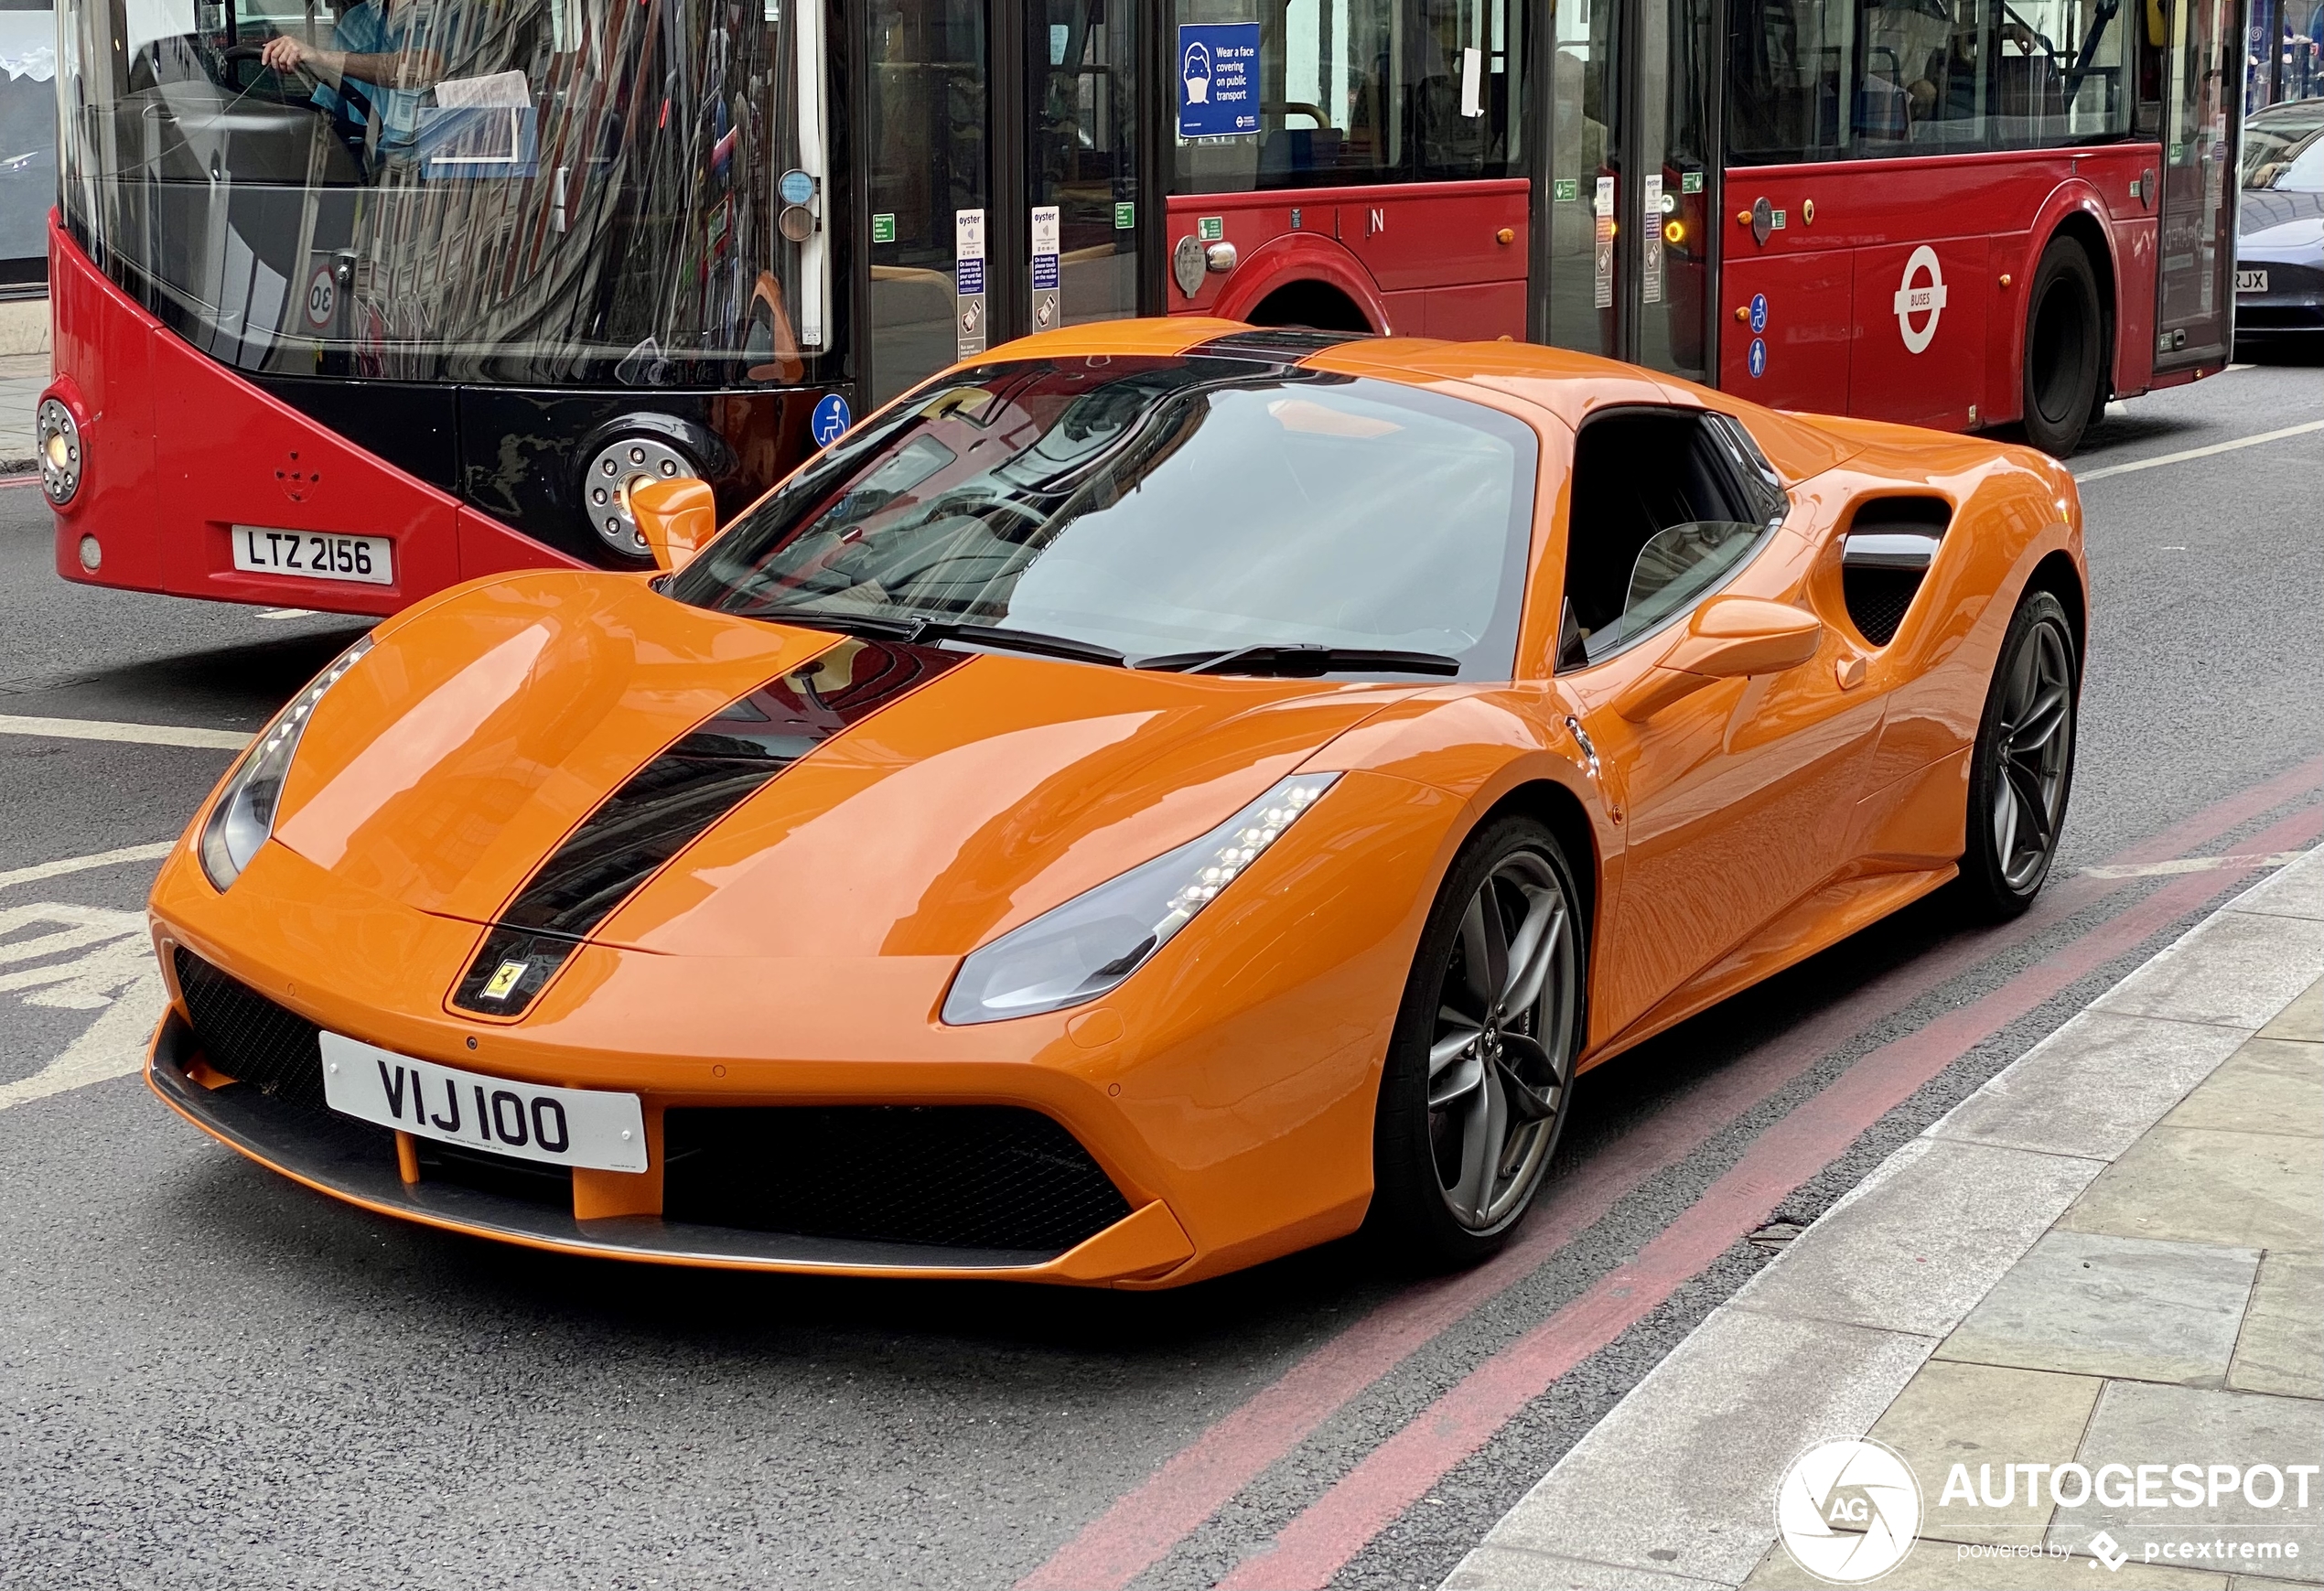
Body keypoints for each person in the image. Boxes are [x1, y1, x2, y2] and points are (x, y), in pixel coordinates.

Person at [258, 0, 445, 157]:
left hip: (424, 172)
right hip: (362, 167)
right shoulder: (356, 21)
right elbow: (327, 111)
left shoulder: (452, 15)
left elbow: (423, 68)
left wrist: (319, 57)